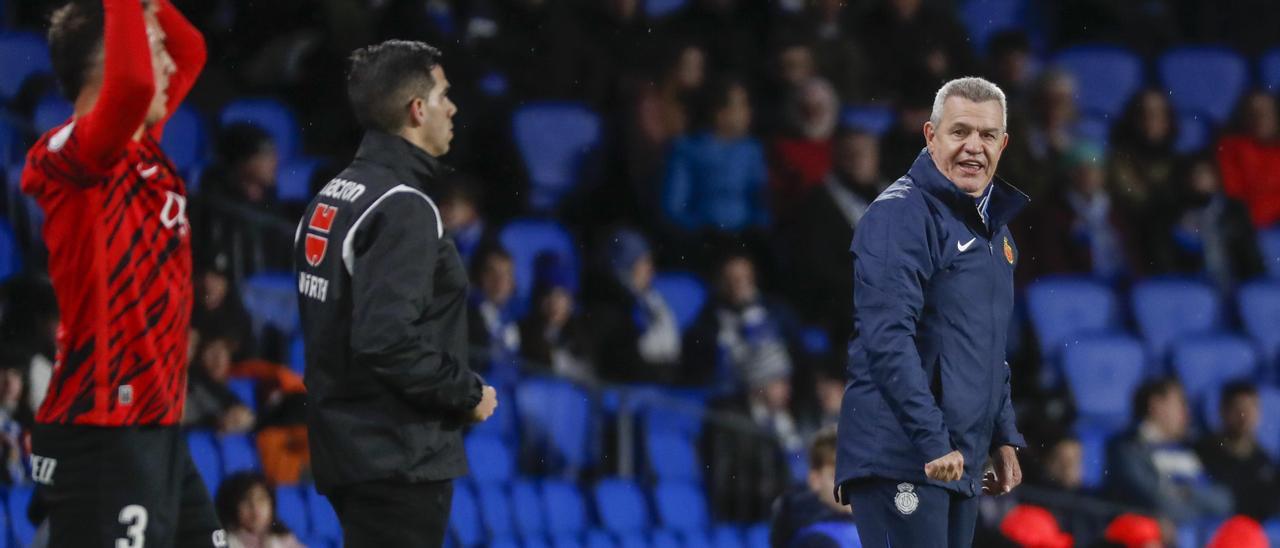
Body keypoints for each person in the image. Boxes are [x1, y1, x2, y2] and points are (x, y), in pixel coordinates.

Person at [18, 0, 224, 545]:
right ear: (111, 63)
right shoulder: (76, 153)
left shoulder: (142, 152)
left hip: (154, 425)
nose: (166, 66)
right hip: (104, 429)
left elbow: (192, 51)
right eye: (153, 50)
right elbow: (132, 83)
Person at [294, 40, 498, 547]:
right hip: (396, 455)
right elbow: (385, 338)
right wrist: (467, 392)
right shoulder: (404, 207)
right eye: (444, 95)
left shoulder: (335, 193)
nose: (452, 107)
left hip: (351, 449)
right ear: (416, 109)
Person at [836, 77, 1028, 548]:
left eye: (986, 136)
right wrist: (931, 440)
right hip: (903, 454)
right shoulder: (900, 216)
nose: (973, 148)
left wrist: (1003, 435)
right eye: (959, 132)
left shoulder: (996, 237)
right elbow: (887, 337)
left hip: (956, 456)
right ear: (930, 135)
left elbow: (986, 346)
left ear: (1002, 144)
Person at [1108, 378, 1233, 525]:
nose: (1187, 414)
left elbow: (1224, 502)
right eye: (1180, 404)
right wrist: (1196, 503)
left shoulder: (1190, 449)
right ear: (1156, 405)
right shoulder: (1127, 450)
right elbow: (1158, 504)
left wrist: (1186, 493)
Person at [1195, 382, 1279, 520]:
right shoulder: (1202, 452)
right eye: (1238, 408)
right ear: (1223, 411)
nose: (1244, 416)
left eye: (1251, 408)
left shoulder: (1265, 461)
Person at [770, 426, 858, 548]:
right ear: (815, 480)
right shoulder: (815, 540)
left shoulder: (863, 526)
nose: (848, 485)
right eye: (836, 477)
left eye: (853, 476)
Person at [1216, 90, 1280, 228]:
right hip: (1247, 227)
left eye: (1267, 112)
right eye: (1253, 113)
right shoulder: (1231, 147)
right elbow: (1235, 194)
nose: (1261, 118)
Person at [214, 472, 304, 548]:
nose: (255, 507)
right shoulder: (223, 541)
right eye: (246, 500)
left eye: (261, 499)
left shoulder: (284, 539)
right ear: (231, 505)